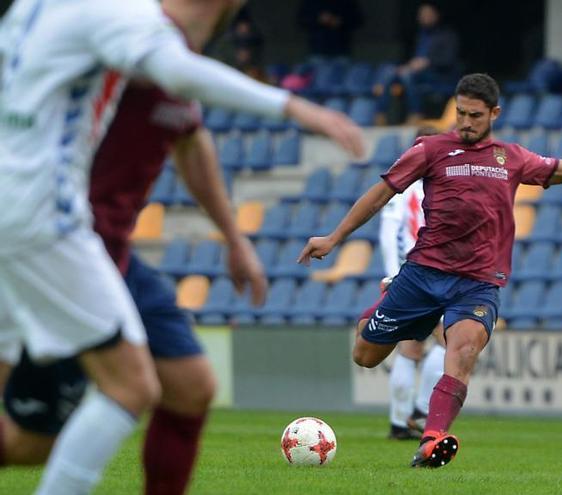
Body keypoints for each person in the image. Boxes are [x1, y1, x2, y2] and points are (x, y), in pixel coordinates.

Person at [0, 0, 363, 493]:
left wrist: (234, 239)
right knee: (41, 436)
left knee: (190, 387)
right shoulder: (127, 31)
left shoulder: (88, 25)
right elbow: (178, 73)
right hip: (53, 238)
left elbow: (190, 139)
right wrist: (292, 106)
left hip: (93, 244)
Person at [299, 73, 562, 468]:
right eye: (461, 113)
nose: (465, 122)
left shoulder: (510, 158)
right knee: (365, 354)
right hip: (423, 274)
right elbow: (381, 193)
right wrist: (334, 237)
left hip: (478, 283)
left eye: (475, 115)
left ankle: (432, 440)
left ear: (494, 113)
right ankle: (384, 303)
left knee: (462, 352)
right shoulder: (429, 149)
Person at [370, 127, 447, 441]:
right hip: (427, 276)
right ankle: (419, 410)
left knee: (409, 349)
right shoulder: (431, 187)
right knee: (450, 344)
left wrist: (392, 276)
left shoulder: (405, 186)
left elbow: (388, 235)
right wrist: (395, 275)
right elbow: (390, 236)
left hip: (409, 277)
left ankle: (399, 422)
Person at [381, 2, 460, 122]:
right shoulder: (418, 35)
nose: (424, 17)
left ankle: (416, 113)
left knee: (407, 75)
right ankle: (380, 114)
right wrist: (405, 66)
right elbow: (410, 59)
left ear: (436, 15)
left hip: (438, 75)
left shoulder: (447, 35)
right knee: (388, 71)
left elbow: (448, 60)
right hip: (416, 73)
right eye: (422, 14)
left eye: (428, 14)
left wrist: (427, 62)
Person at [297, 0, 364, 59]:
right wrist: (318, 19)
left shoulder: (347, 2)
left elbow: (358, 20)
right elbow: (302, 20)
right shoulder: (311, 2)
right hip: (317, 50)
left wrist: (341, 21)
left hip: (342, 51)